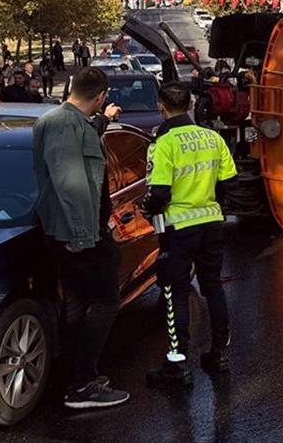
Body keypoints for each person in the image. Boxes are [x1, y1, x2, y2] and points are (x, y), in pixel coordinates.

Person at [32, 67, 128, 409]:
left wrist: (103, 120)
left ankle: (76, 376)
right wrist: (84, 236)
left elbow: (81, 149)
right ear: (100, 96)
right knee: (104, 303)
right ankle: (83, 384)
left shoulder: (67, 122)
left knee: (77, 305)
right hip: (81, 234)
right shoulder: (63, 125)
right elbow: (70, 184)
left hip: (75, 232)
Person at [140, 81, 237, 386]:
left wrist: (148, 208)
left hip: (178, 228)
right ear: (192, 105)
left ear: (161, 106)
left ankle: (177, 365)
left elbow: (158, 193)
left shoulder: (163, 143)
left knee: (175, 292)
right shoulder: (212, 138)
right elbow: (228, 181)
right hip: (211, 223)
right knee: (213, 287)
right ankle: (220, 354)